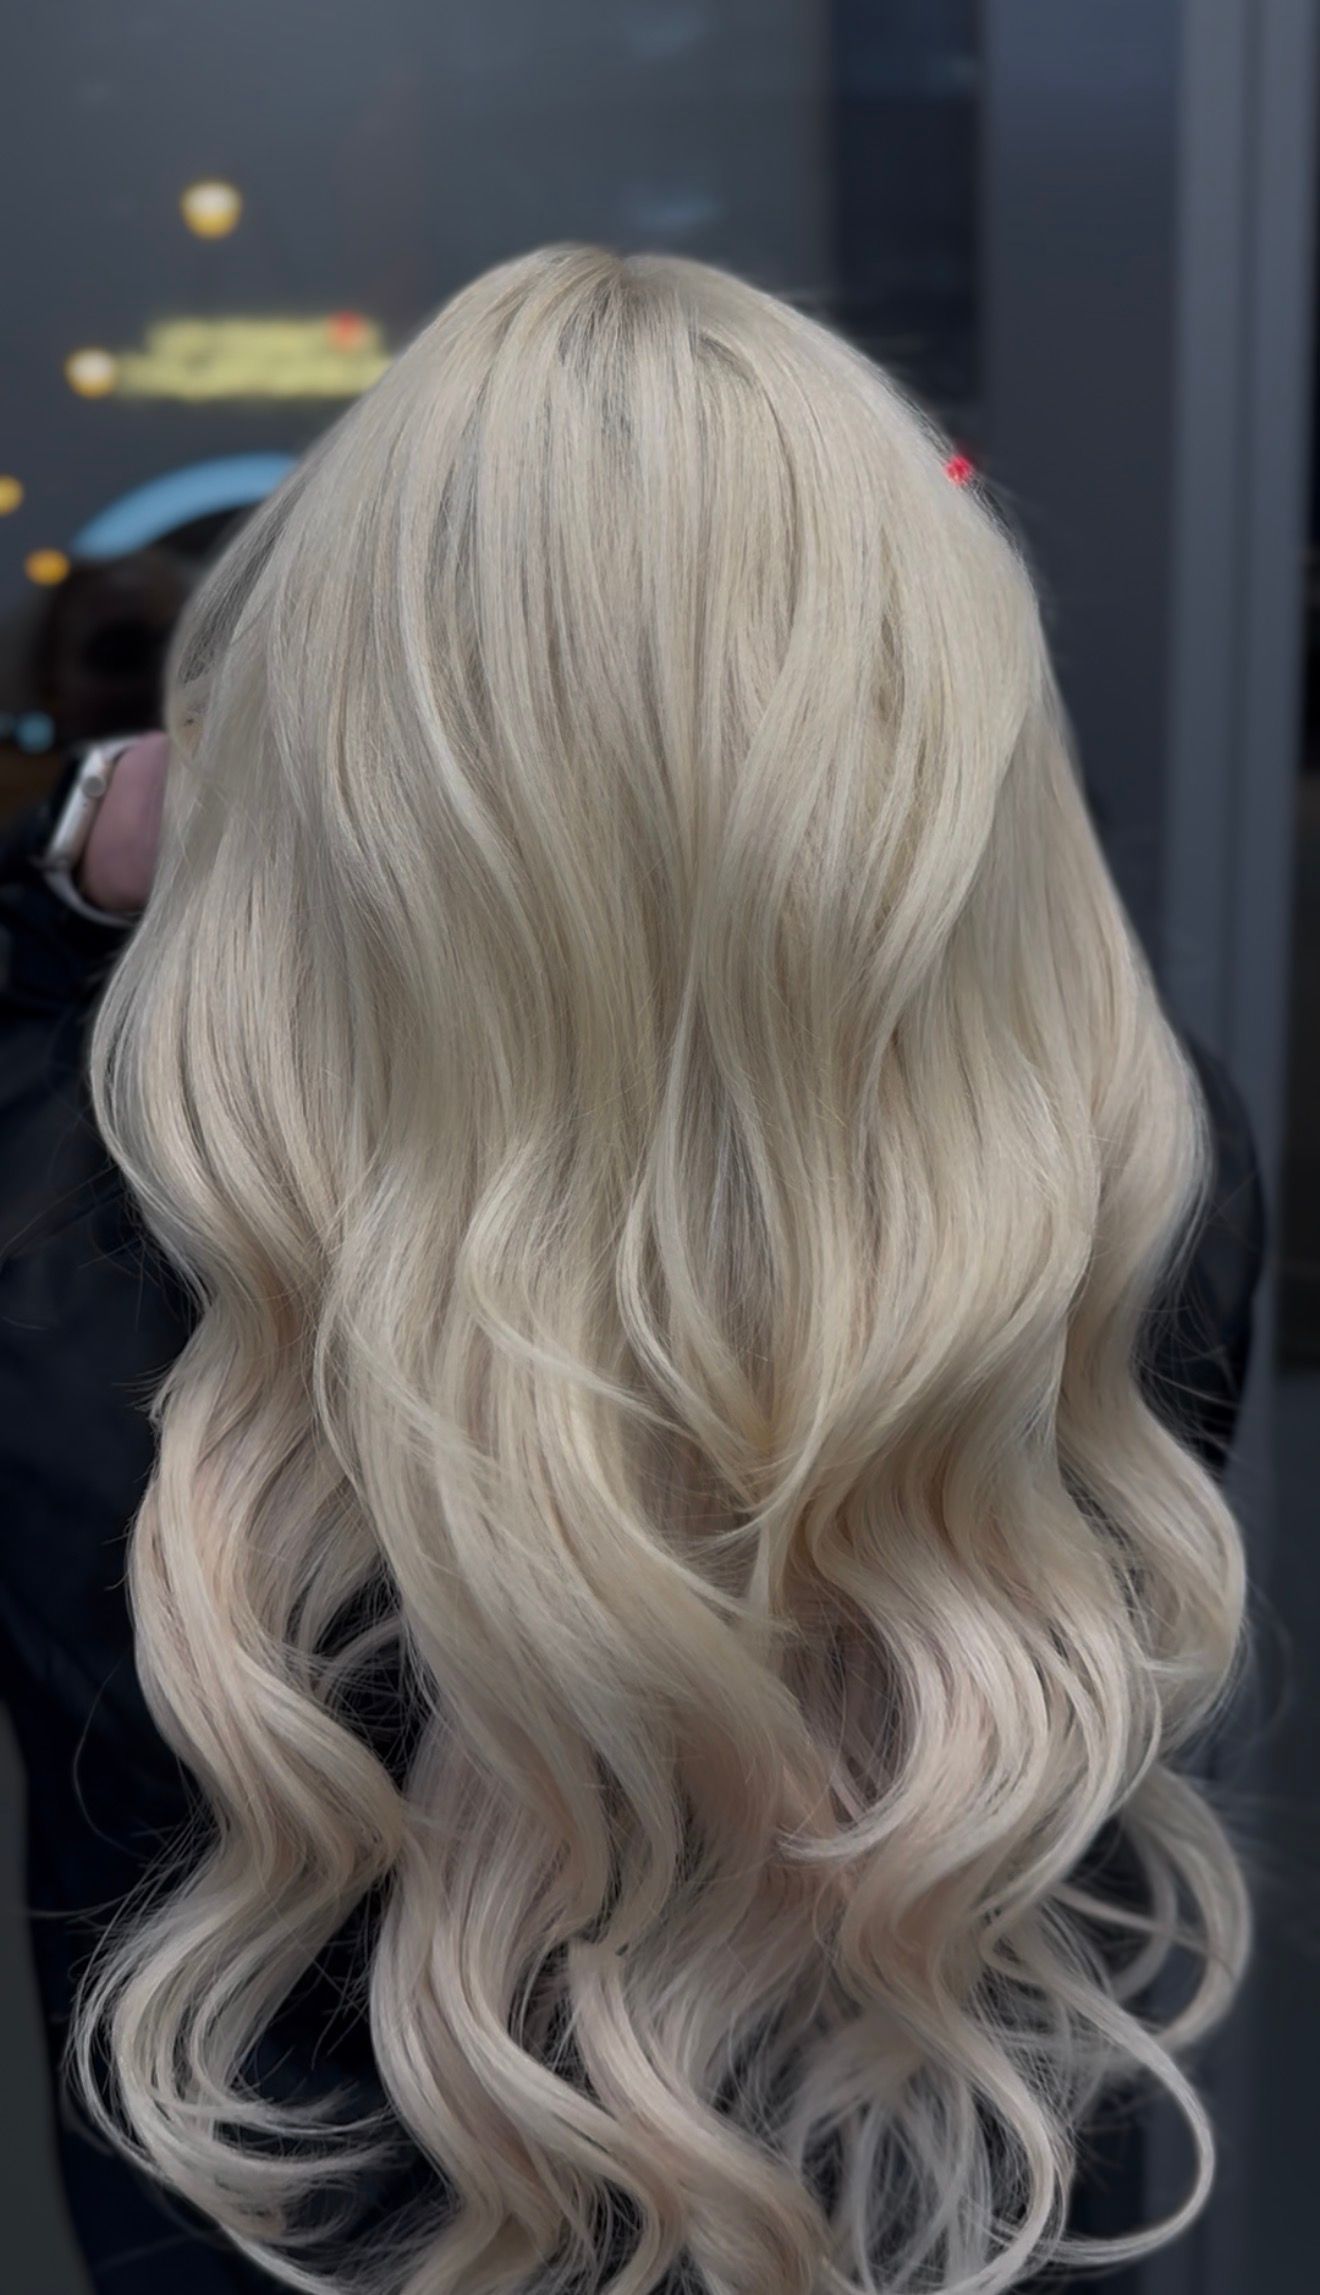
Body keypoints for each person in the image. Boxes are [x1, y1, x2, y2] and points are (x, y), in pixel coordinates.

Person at [0, 245, 1266, 2295]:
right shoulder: (1119, 1165)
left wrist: (73, 865)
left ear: (334, 721)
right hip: (950, 2225)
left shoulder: (95, 1221)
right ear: (927, 695)